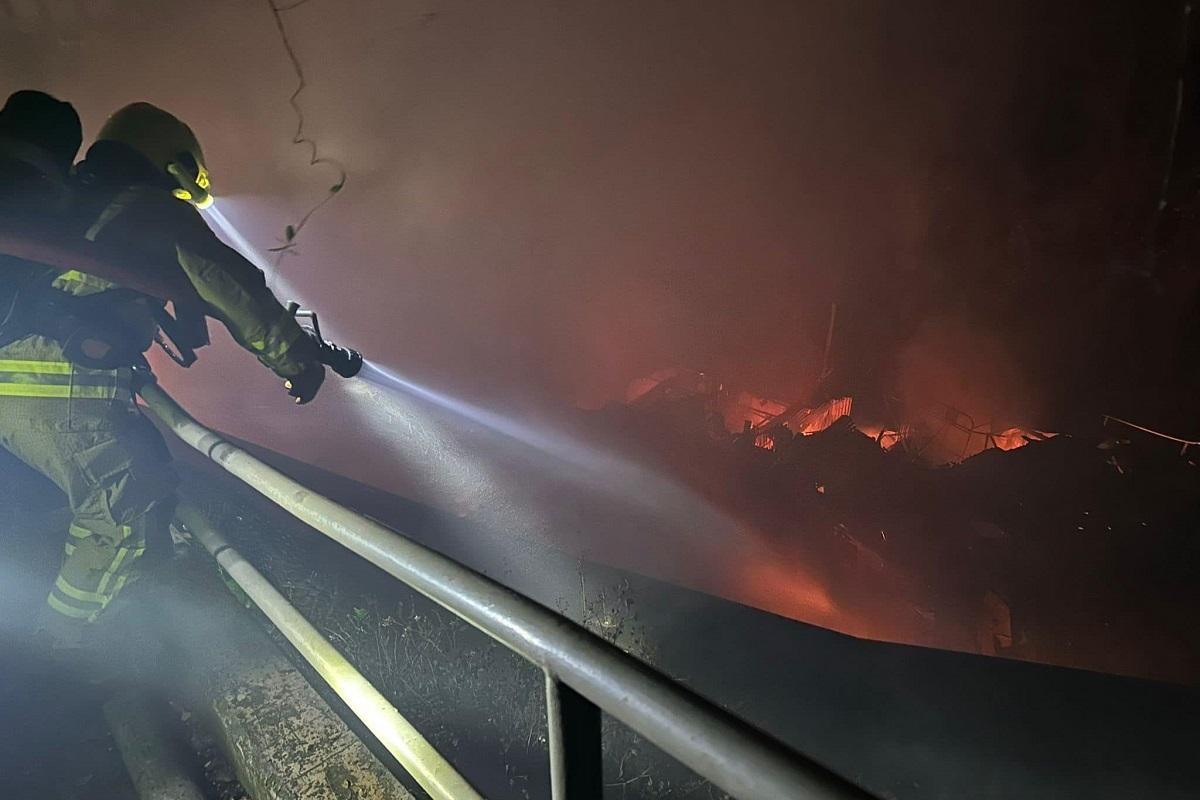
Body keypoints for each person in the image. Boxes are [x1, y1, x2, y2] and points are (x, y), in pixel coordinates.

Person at [0, 97, 326, 645]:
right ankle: (61, 649)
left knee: (122, 476)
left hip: (19, 380)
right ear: (170, 165)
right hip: (56, 388)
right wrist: (297, 363)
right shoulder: (148, 208)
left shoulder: (73, 199)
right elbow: (231, 288)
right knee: (122, 504)